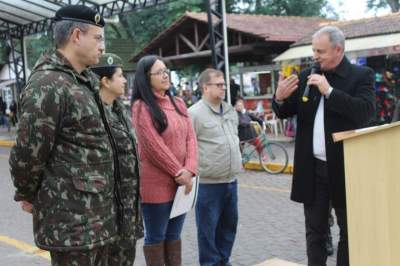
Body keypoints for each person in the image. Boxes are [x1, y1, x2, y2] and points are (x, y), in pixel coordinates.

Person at [9, 5, 123, 265]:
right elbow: (28, 154)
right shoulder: (48, 84)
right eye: (98, 37)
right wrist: (27, 194)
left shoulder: (84, 81)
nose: (102, 47)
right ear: (76, 36)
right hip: (72, 225)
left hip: (98, 219)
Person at [272, 26, 375, 266]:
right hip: (313, 169)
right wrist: (278, 98)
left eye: (320, 51)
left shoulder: (361, 75)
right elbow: (285, 111)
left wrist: (329, 91)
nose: (315, 56)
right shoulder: (309, 74)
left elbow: (365, 113)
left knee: (349, 231)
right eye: (313, 50)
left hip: (346, 168)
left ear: (338, 49)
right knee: (315, 231)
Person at [131, 55, 198, 266]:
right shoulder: (141, 107)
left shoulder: (177, 103)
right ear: (145, 77)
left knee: (174, 236)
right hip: (156, 186)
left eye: (166, 70)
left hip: (182, 185)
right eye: (159, 72)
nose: (165, 75)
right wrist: (180, 173)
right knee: (156, 237)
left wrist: (190, 169)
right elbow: (153, 147)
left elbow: (191, 138)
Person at [91, 53, 144, 265]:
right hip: (107, 209)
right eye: (120, 76)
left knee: (125, 259)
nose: (124, 80)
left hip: (128, 206)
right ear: (105, 81)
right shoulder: (93, 114)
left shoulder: (120, 110)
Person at [189, 68, 242, 266]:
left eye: (224, 85)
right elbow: (188, 147)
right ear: (205, 87)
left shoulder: (229, 110)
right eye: (218, 85)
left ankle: (224, 261)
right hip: (208, 185)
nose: (223, 88)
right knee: (207, 232)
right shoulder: (194, 114)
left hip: (231, 181)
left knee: (229, 228)